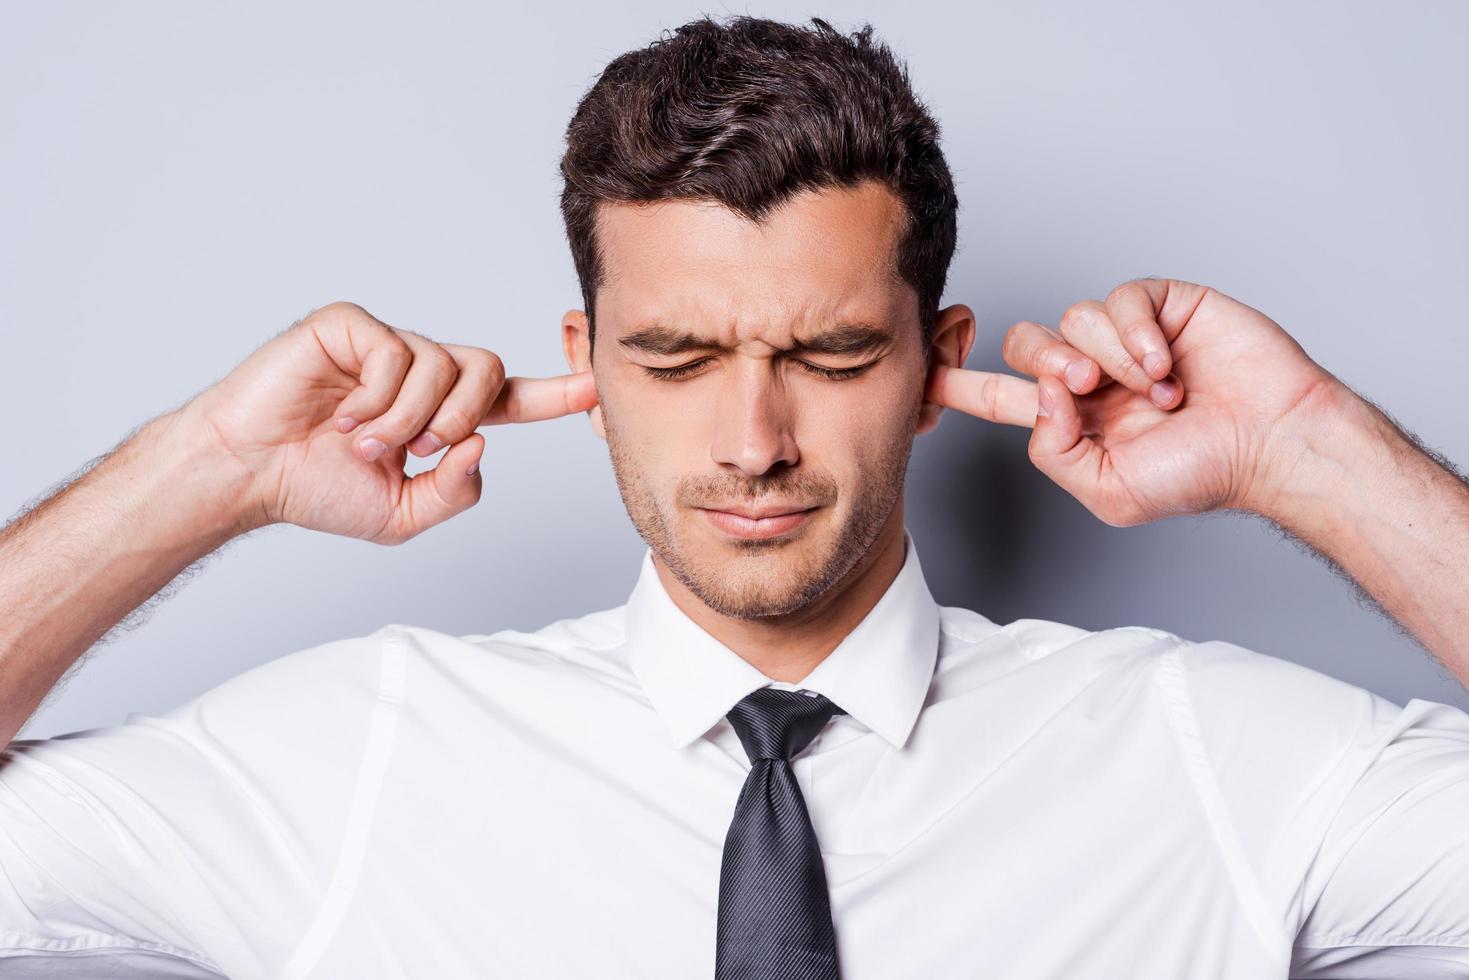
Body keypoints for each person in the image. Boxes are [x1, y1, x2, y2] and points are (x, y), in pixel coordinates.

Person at [2, 13, 1467, 980]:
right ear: (585, 360)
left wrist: (1309, 453)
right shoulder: (355, 762)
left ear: (933, 360)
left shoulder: (1196, 756)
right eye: (677, 354)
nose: (753, 437)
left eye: (829, 353)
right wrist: (211, 471)